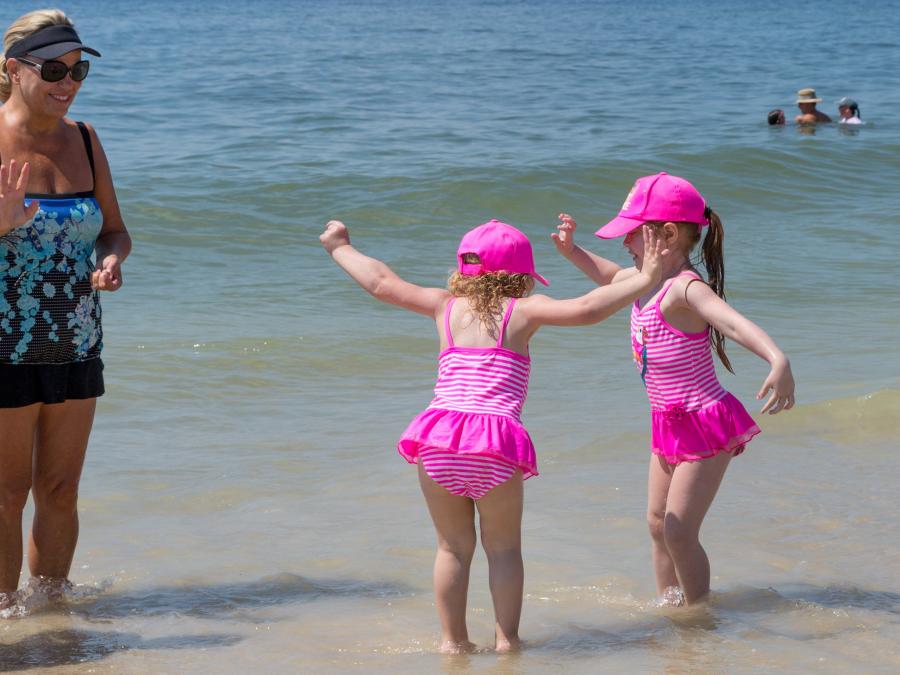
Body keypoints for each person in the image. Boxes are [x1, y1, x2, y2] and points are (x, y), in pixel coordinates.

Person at [321, 218, 666, 652]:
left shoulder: (442, 305)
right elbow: (588, 308)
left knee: (451, 550)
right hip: (493, 444)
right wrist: (649, 277)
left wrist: (340, 248)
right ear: (520, 276)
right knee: (503, 550)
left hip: (439, 439)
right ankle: (507, 641)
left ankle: (454, 643)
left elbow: (382, 283)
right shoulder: (522, 311)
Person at [552, 173, 795, 606]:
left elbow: (732, 322)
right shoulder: (641, 282)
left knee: (679, 529)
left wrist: (777, 358)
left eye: (631, 234)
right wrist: (572, 253)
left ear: (665, 235)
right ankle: (670, 604)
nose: (624, 244)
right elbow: (607, 278)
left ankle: (698, 612)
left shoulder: (686, 289)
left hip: (704, 421)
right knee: (655, 522)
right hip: (667, 421)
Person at [0, 9, 130, 611]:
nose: (68, 81)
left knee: (60, 488)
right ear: (14, 69)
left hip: (75, 340)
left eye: (78, 69)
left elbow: (116, 230)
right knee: (4, 494)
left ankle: (50, 613)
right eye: (54, 68)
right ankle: (3, 619)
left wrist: (110, 260)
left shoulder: (84, 139)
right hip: (2, 345)